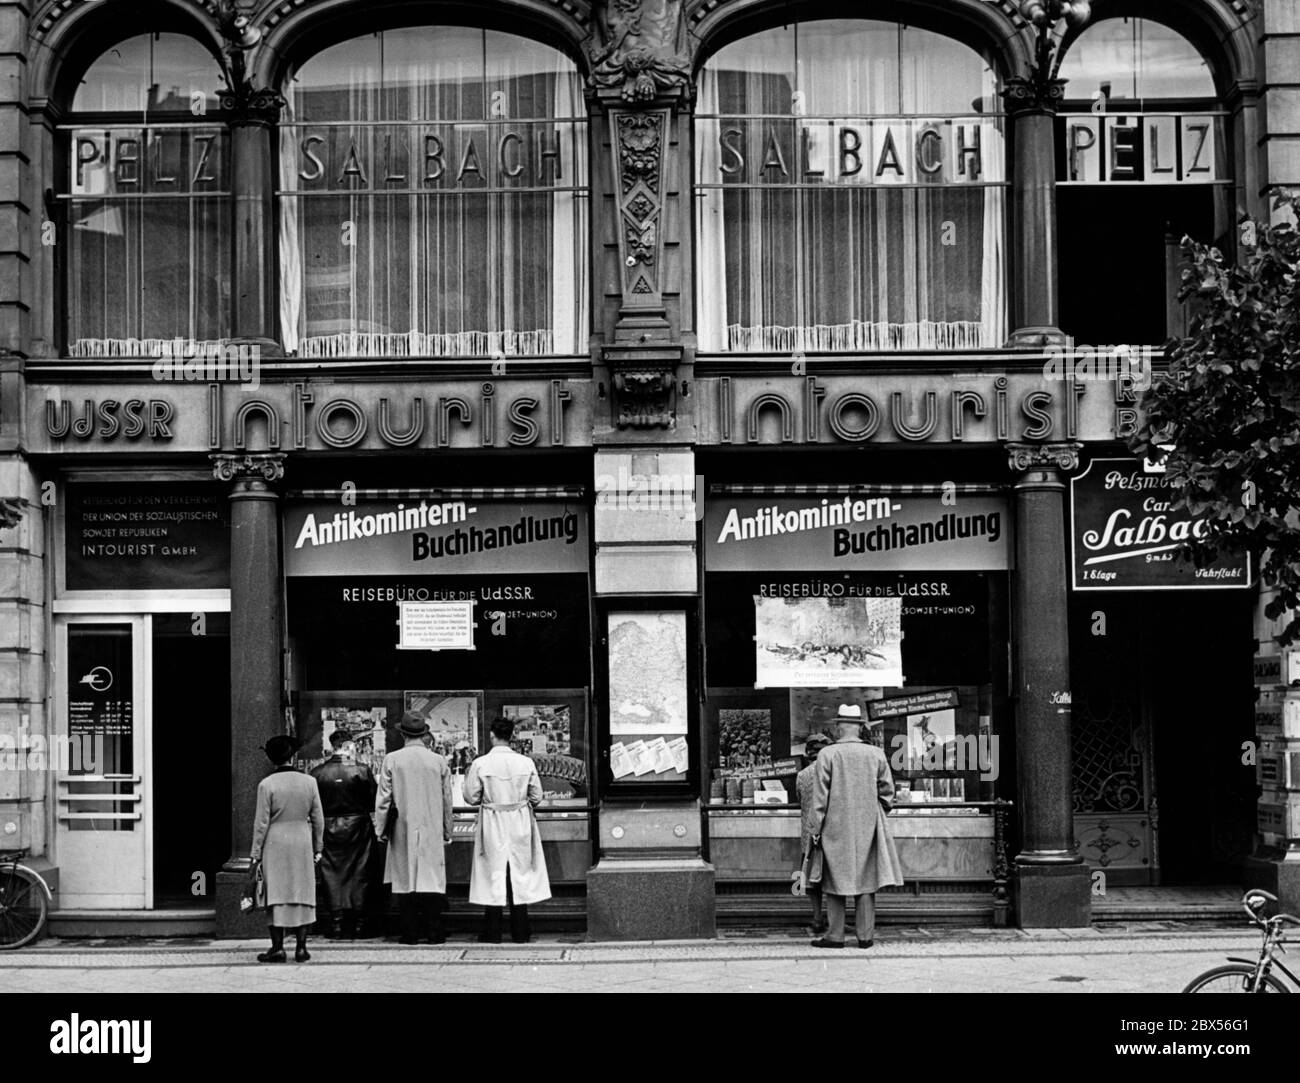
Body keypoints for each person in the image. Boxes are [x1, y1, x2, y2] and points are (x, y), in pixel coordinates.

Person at [808, 704, 904, 950]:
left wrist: (815, 829)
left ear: (839, 727)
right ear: (860, 727)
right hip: (868, 824)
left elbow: (820, 798)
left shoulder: (827, 755)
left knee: (834, 882)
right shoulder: (876, 754)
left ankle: (835, 936)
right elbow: (888, 792)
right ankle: (865, 936)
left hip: (834, 825)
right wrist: (878, 810)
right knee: (866, 881)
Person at [463, 716, 550, 943]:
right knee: (519, 874)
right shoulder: (525, 762)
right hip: (519, 819)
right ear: (512, 736)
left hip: (493, 820)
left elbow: (471, 796)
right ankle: (521, 931)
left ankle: (492, 932)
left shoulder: (481, 763)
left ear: (492, 735)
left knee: (493, 873)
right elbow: (537, 796)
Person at [374, 712, 454, 945]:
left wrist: (381, 829)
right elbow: (447, 800)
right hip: (431, 827)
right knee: (431, 878)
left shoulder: (392, 759)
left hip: (402, 826)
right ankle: (434, 931)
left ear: (402, 734)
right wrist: (447, 830)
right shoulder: (438, 761)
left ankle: (409, 933)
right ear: (425, 734)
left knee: (405, 878)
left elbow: (383, 800)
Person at [250, 735, 325, 963]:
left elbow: (261, 823)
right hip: (302, 839)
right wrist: (318, 846)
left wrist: (255, 854)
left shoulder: (266, 785)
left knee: (276, 893)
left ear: (272, 759)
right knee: (302, 890)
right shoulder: (309, 782)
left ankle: (278, 948)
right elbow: (318, 818)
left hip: (276, 841)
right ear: (292, 755)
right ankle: (301, 948)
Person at [311, 730, 377, 939]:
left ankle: (336, 922)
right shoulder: (361, 769)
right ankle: (360, 922)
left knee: (331, 874)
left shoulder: (317, 772)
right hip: (358, 826)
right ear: (348, 745)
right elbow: (373, 799)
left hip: (328, 827)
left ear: (332, 746)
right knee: (360, 873)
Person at [795, 732, 832, 935]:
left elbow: (800, 799)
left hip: (809, 834)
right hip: (831, 832)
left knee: (812, 878)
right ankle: (836, 919)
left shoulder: (802, 775)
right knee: (833, 876)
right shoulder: (833, 771)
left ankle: (817, 918)